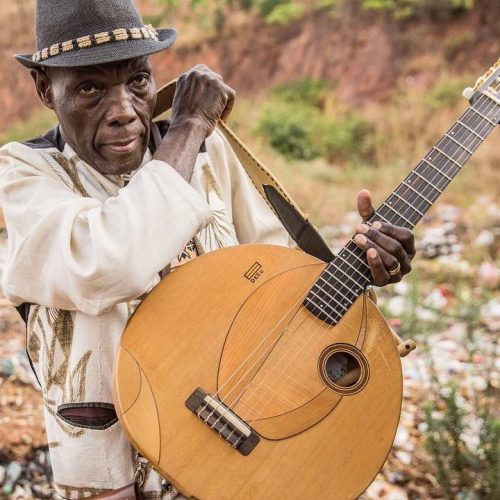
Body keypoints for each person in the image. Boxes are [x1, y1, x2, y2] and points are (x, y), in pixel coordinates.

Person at [0, 0, 415, 498]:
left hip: (229, 440)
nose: (124, 113)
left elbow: (280, 281)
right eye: (90, 88)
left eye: (137, 81)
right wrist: (191, 125)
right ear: (45, 88)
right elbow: (106, 264)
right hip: (114, 469)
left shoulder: (209, 152)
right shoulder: (28, 172)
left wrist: (360, 266)